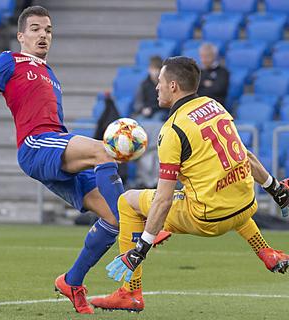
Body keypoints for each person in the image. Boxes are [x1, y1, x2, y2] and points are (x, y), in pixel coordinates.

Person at [0, 5, 171, 315]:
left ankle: (72, 281)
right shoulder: (10, 61)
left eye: (48, 30)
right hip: (37, 145)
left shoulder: (50, 73)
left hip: (54, 147)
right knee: (104, 150)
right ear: (21, 35)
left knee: (113, 220)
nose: (43, 35)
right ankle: (138, 231)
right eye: (36, 29)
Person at [90, 56, 289, 312]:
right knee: (219, 188)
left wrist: (141, 248)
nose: (156, 88)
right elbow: (246, 156)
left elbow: (163, 199)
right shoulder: (214, 106)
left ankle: (131, 292)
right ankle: (265, 252)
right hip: (245, 207)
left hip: (207, 218)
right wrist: (275, 188)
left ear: (173, 86)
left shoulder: (172, 130)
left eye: (160, 82)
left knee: (127, 202)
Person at [133, 55, 169, 121]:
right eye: (153, 69)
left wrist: (153, 109)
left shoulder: (165, 84)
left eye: (157, 69)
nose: (156, 72)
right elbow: (138, 103)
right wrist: (143, 109)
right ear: (149, 69)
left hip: (161, 111)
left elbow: (167, 102)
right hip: (146, 111)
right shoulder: (144, 84)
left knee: (157, 118)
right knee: (139, 120)